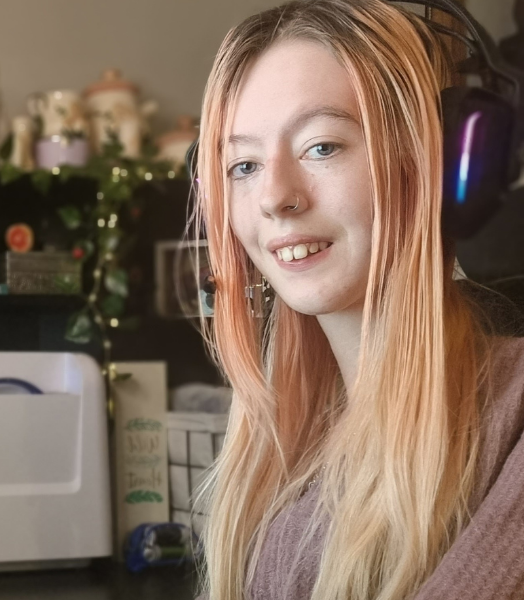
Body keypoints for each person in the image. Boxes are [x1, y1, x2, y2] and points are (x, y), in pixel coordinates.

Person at [190, 0, 524, 598]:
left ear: (433, 161)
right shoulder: (274, 459)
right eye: (243, 164)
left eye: (322, 147)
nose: (275, 197)